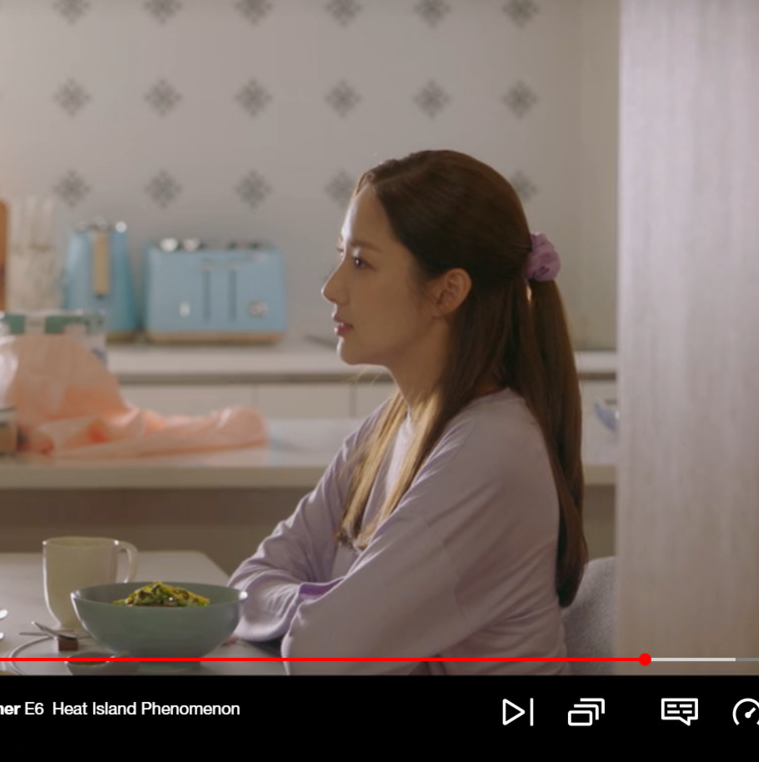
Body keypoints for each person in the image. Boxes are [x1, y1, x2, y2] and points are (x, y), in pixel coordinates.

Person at [228, 150, 586, 675]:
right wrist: (327, 601)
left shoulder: (491, 452)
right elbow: (246, 584)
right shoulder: (392, 425)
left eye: (360, 262)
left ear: (447, 291)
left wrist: (317, 606)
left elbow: (323, 650)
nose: (331, 288)